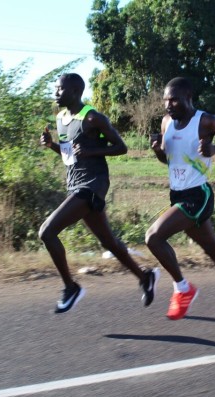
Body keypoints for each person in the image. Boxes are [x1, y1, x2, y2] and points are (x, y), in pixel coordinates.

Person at [39, 73, 159, 314]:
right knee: (109, 242)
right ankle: (145, 277)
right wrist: (52, 145)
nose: (55, 93)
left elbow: (121, 147)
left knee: (47, 232)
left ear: (74, 91)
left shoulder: (93, 118)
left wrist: (92, 150)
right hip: (75, 184)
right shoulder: (61, 118)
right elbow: (70, 154)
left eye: (59, 89)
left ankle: (71, 287)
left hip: (93, 185)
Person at [146, 77, 215, 321]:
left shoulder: (206, 121)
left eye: (173, 100)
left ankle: (183, 289)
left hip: (198, 194)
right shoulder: (166, 123)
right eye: (165, 100)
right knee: (212, 248)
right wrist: (157, 151)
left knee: (153, 237)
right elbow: (167, 158)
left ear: (188, 98)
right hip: (177, 194)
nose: (168, 105)